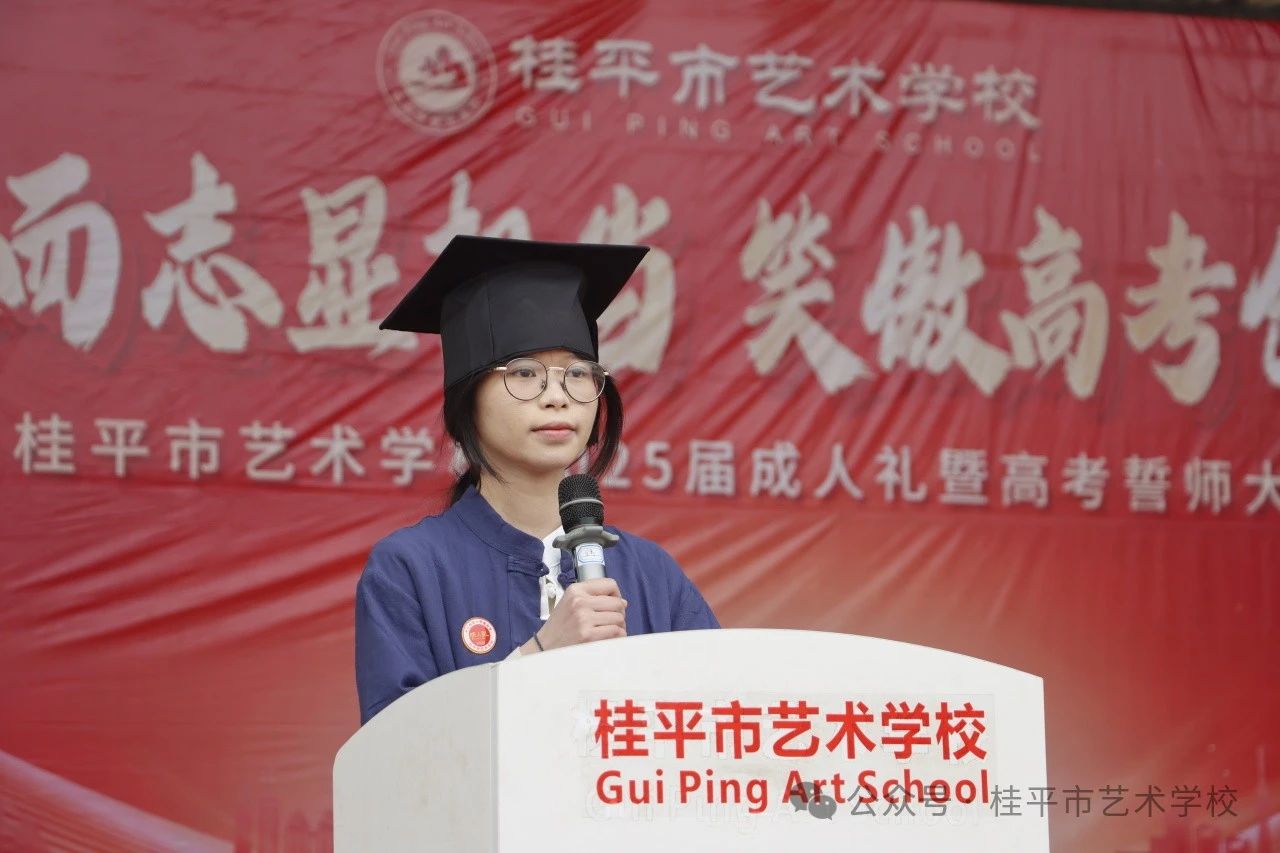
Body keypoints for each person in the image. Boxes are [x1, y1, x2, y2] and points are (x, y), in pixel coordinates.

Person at [354, 235, 720, 725]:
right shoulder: (412, 568)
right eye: (525, 373)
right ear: (467, 398)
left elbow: (718, 724)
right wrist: (539, 654)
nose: (557, 397)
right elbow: (394, 747)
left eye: (578, 374)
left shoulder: (650, 572)